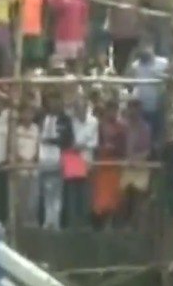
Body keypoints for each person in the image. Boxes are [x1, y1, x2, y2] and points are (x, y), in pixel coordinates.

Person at [37, 96, 72, 229]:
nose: (54, 104)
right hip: (42, 158)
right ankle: (46, 221)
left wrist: (51, 141)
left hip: (57, 159)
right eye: (51, 101)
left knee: (56, 193)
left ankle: (55, 222)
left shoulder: (65, 120)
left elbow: (68, 140)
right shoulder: (42, 117)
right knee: (44, 192)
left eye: (57, 101)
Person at [65, 93, 99, 229]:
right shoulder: (71, 121)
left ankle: (85, 225)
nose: (79, 110)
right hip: (72, 161)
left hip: (86, 162)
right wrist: (78, 145)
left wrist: (80, 145)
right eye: (77, 107)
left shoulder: (94, 121)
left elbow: (94, 143)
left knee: (85, 195)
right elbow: (70, 141)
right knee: (72, 195)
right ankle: (72, 225)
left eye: (81, 107)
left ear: (86, 108)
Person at [92, 98, 126, 228]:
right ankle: (100, 225)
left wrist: (114, 149)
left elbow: (123, 147)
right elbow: (95, 145)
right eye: (109, 110)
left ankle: (111, 224)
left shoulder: (121, 128)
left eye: (114, 110)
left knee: (113, 198)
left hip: (114, 165)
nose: (112, 113)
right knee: (100, 198)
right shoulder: (99, 126)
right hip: (101, 164)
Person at [121, 98, 154, 228]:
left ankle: (139, 229)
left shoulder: (145, 128)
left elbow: (147, 151)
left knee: (139, 200)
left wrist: (135, 159)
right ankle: (125, 227)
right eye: (131, 107)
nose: (133, 111)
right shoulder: (123, 126)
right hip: (125, 167)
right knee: (124, 199)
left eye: (135, 108)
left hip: (140, 167)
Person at [127, 46, 169, 145]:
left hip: (158, 105)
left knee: (158, 132)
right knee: (144, 134)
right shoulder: (136, 65)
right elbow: (129, 79)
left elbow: (171, 75)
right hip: (142, 106)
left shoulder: (162, 63)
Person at [13, 105, 41, 226]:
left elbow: (39, 147)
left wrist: (34, 160)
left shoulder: (36, 129)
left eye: (30, 113)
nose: (28, 116)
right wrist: (23, 161)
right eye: (25, 113)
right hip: (21, 169)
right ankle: (22, 223)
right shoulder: (16, 130)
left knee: (33, 198)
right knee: (22, 197)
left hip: (33, 169)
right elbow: (14, 149)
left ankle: (32, 221)